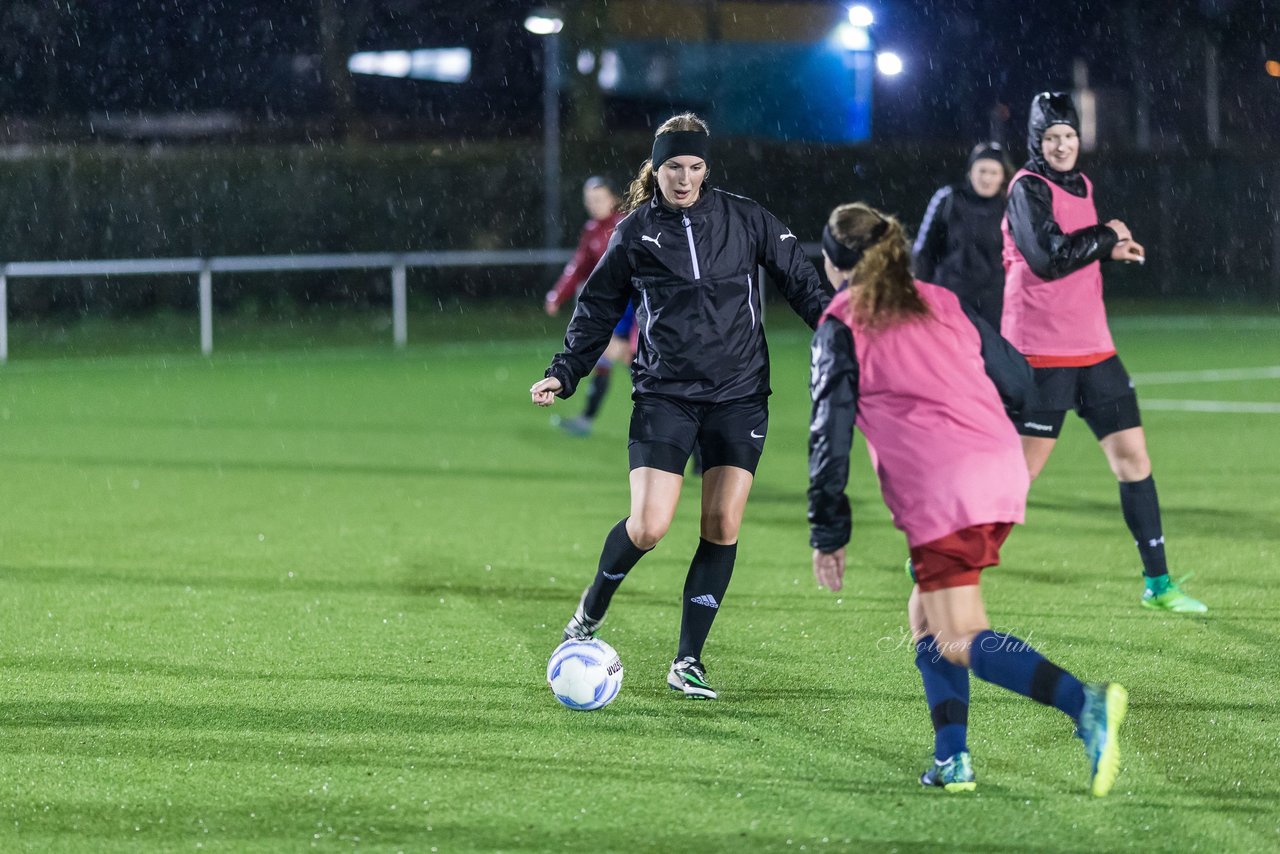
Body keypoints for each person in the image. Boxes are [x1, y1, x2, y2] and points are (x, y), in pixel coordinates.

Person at [808, 201, 1127, 796]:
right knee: (925, 620)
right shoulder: (940, 298)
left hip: (943, 489)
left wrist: (828, 533)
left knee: (958, 635)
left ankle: (1084, 703)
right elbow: (1017, 381)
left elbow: (830, 433)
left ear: (834, 262)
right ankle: (952, 759)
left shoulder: (842, 320)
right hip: (1000, 469)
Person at [530, 112, 830, 699]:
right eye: (673, 167)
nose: (685, 178)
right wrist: (565, 372)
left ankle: (687, 660)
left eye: (694, 167)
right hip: (665, 394)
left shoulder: (746, 219)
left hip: (739, 396)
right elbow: (594, 310)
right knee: (649, 525)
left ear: (707, 169)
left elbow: (802, 281)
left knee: (721, 524)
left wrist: (840, 333)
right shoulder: (634, 232)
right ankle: (590, 610)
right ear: (657, 168)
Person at [1002, 92, 1207, 613]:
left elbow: (1076, 247)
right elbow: (1048, 259)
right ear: (1036, 142)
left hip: (1094, 349)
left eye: (1069, 136)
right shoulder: (1027, 188)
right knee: (1017, 477)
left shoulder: (1083, 184)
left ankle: (1158, 584)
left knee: (1134, 459)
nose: (1063, 145)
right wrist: (1106, 232)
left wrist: (1110, 248)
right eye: (1052, 137)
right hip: (1042, 354)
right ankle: (947, 558)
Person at [544, 176, 629, 437]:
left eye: (599, 199)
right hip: (609, 312)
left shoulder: (626, 225)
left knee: (636, 364)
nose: (593, 204)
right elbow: (578, 265)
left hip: (631, 310)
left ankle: (694, 444)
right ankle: (586, 420)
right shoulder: (592, 229)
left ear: (613, 199)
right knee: (617, 363)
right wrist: (558, 294)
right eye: (589, 200)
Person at [912, 142, 1012, 328]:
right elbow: (924, 252)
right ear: (970, 172)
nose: (987, 178)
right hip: (949, 300)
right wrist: (920, 294)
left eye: (993, 172)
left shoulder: (1011, 207)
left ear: (1002, 176)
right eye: (982, 171)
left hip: (994, 307)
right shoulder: (948, 199)